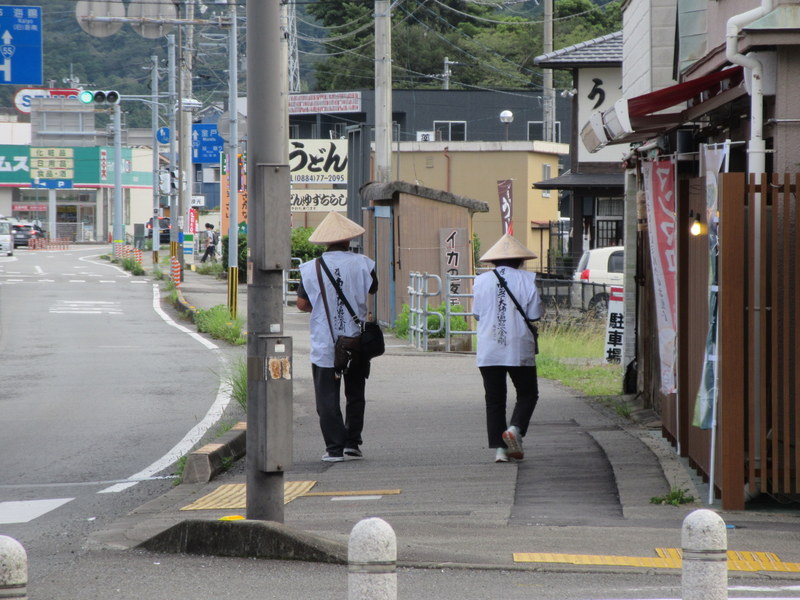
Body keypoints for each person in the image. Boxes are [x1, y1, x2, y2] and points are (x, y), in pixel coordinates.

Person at [296, 212, 378, 463]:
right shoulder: (365, 264)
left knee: (327, 398)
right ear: (348, 239)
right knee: (355, 394)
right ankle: (352, 443)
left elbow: (302, 304)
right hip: (356, 341)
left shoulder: (310, 268)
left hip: (325, 341)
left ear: (325, 241)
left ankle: (334, 448)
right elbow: (372, 289)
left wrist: (322, 306)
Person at [473, 233, 542, 463]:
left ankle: (501, 451)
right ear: (520, 260)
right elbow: (534, 314)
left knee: (494, 399)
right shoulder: (527, 280)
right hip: (518, 346)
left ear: (493, 260)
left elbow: (477, 314)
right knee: (528, 393)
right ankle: (515, 429)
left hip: (489, 347)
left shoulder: (480, 281)